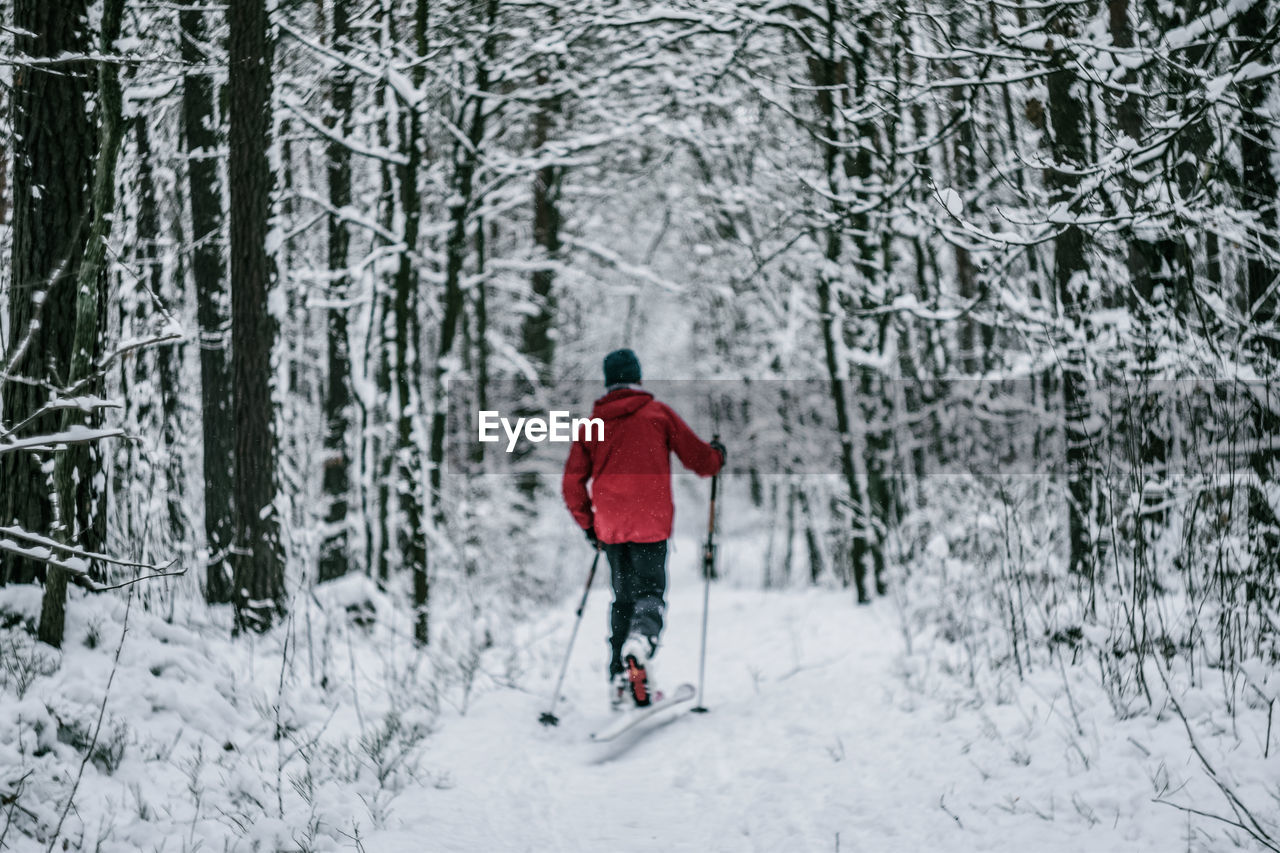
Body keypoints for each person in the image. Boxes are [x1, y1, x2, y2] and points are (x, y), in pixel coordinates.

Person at [561, 349, 725, 709]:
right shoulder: (658, 414)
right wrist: (717, 456)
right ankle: (642, 641)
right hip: (650, 524)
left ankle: (621, 679)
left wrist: (590, 526)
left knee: (622, 600)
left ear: (608, 381)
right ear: (638, 377)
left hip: (611, 529)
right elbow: (700, 461)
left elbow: (572, 483)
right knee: (650, 593)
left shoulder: (593, 424)